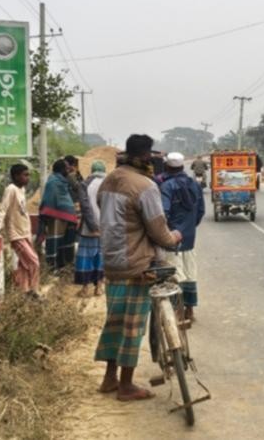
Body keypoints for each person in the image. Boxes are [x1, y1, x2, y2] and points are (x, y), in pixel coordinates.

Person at [95, 134, 183, 402]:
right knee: (132, 326)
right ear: (146, 156)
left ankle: (109, 378)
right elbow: (158, 230)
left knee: (115, 322)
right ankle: (126, 385)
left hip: (111, 262)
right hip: (136, 265)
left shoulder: (109, 180)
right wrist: (174, 237)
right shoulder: (145, 186)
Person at [158, 152, 205, 322]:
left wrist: (167, 233)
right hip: (189, 237)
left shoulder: (166, 186)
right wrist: (190, 227)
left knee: (175, 274)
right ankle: (189, 310)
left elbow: (163, 213)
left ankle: (177, 312)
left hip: (172, 238)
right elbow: (200, 211)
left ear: (167, 167)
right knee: (190, 272)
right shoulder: (194, 184)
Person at [0, 164, 40, 298]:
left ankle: (24, 292)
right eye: (25, 175)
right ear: (16, 176)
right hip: (16, 235)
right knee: (34, 261)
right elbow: (3, 209)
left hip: (25, 233)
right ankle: (34, 291)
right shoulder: (11, 189)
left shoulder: (22, 190)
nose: (28, 178)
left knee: (24, 265)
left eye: (28, 175)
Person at [74, 160, 107, 297]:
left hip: (89, 229)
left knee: (86, 258)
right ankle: (99, 287)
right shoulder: (109, 183)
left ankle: (85, 289)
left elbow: (85, 207)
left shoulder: (85, 184)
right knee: (101, 257)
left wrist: (93, 226)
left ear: (92, 171)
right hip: (106, 228)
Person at [39, 159, 78, 270]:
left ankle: (64, 266)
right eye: (67, 168)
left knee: (66, 242)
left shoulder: (64, 182)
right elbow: (49, 200)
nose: (69, 170)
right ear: (61, 169)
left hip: (67, 217)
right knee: (55, 242)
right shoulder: (52, 182)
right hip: (55, 217)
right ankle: (52, 268)